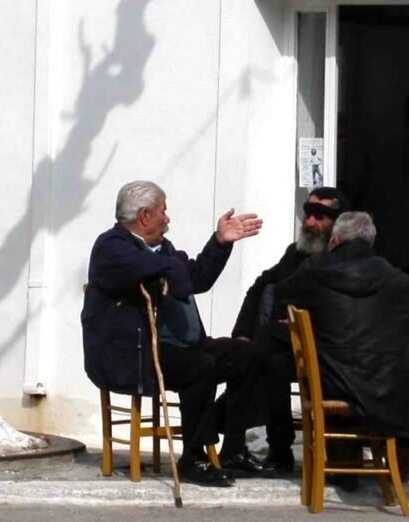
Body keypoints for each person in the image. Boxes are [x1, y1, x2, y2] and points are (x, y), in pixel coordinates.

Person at [82, 180, 275, 486]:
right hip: (136, 353)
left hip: (179, 347)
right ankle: (194, 457)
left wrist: (221, 242)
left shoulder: (163, 249)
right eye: (163, 211)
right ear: (145, 216)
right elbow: (156, 269)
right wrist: (172, 274)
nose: (168, 218)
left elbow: (196, 278)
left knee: (248, 356)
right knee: (200, 367)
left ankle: (234, 449)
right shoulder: (111, 247)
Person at [275, 211, 409, 449]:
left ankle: (294, 454)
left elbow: (280, 294)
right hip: (386, 388)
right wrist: (404, 346)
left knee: (273, 352)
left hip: (331, 382)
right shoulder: (395, 278)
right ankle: (387, 470)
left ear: (334, 240)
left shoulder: (313, 271)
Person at [230, 187, 348, 471]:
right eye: (308, 213)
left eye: (320, 216)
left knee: (263, 343)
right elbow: (262, 285)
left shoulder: (347, 256)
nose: (310, 223)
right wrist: (243, 333)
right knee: (272, 363)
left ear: (338, 222)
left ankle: (223, 421)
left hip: (332, 351)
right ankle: (280, 451)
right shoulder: (296, 254)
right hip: (294, 345)